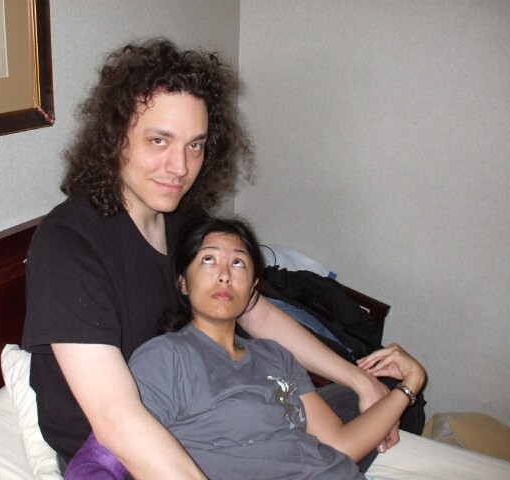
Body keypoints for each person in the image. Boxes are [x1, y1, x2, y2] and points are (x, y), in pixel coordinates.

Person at [22, 38, 398, 479]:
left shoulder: (183, 221)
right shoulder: (68, 244)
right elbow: (116, 419)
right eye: (159, 140)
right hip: (128, 457)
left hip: (215, 419)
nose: (180, 167)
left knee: (388, 396)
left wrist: (358, 378)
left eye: (195, 146)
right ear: (115, 138)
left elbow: (256, 312)